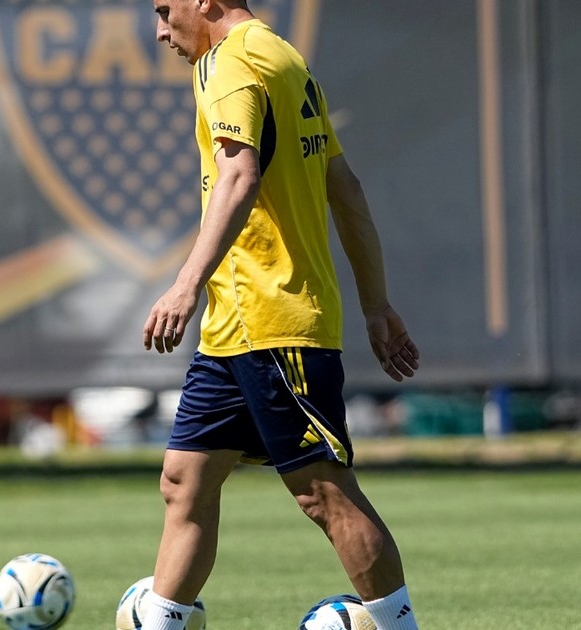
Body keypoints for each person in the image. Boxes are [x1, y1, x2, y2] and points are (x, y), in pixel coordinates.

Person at [139, 1, 422, 629]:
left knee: (323, 493)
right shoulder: (283, 56)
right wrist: (375, 303)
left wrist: (185, 285)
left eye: (163, 9)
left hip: (271, 318)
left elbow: (239, 176)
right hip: (233, 328)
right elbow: (345, 187)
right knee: (184, 480)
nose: (159, 31)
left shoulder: (226, 61)